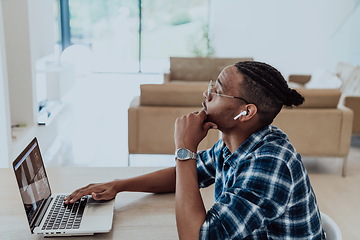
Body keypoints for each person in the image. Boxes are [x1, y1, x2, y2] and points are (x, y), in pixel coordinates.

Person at [64, 61, 325, 239]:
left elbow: (198, 236)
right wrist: (119, 185)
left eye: (219, 90)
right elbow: (186, 174)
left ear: (246, 112)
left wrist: (185, 148)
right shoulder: (234, 144)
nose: (207, 93)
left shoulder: (271, 164)